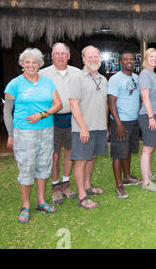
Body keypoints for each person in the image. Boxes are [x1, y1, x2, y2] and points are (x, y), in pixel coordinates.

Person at [3, 48, 63, 223]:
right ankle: (26, 205)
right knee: (27, 167)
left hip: (46, 129)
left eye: (34, 62)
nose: (31, 65)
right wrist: (10, 134)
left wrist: (42, 114)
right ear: (22, 64)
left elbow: (58, 105)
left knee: (44, 165)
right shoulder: (15, 84)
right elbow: (7, 112)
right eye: (27, 62)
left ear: (39, 64)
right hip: (24, 132)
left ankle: (41, 201)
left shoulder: (48, 82)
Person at [39, 42, 80, 205]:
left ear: (68, 56)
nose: (60, 56)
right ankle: (55, 187)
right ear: (52, 56)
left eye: (63, 53)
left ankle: (65, 184)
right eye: (57, 53)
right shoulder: (43, 74)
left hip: (72, 118)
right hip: (52, 119)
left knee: (70, 153)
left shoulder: (77, 73)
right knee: (54, 155)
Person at [69, 45, 108, 209]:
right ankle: (82, 196)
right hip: (83, 128)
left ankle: (87, 186)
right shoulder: (77, 78)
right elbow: (73, 105)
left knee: (92, 157)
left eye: (96, 56)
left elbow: (104, 105)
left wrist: (105, 126)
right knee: (81, 160)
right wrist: (83, 128)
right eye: (90, 57)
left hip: (99, 127)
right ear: (83, 59)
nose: (94, 59)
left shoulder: (103, 79)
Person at [108, 51, 144, 199]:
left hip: (133, 121)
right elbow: (111, 103)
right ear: (120, 62)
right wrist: (118, 124)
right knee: (118, 153)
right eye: (125, 59)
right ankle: (118, 185)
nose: (129, 61)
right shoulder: (115, 79)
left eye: (131, 59)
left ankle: (127, 177)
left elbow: (139, 99)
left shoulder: (136, 78)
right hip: (120, 122)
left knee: (127, 150)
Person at [138, 48, 156, 191]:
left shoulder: (152, 74)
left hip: (155, 113)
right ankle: (146, 182)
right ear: (146, 58)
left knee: (151, 147)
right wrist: (151, 117)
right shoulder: (145, 74)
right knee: (147, 149)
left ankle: (149, 174)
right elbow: (145, 97)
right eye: (151, 56)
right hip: (148, 115)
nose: (154, 59)